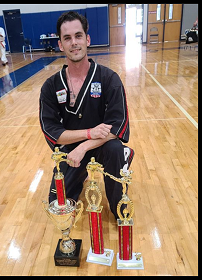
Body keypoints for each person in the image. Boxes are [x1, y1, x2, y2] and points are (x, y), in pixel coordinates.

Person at [39, 11, 132, 220]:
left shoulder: (109, 79)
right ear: (60, 44)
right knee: (58, 206)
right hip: (70, 151)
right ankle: (76, 178)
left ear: (87, 39)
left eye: (78, 36)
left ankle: (118, 206)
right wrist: (89, 133)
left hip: (102, 146)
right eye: (67, 38)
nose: (74, 43)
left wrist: (84, 146)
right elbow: (52, 132)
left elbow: (118, 126)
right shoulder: (50, 86)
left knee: (116, 148)